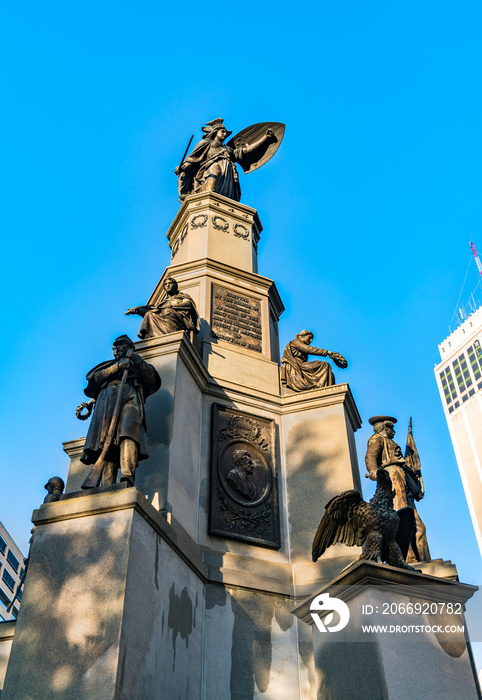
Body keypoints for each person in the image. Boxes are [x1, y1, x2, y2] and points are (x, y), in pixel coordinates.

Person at [79, 335, 161, 487]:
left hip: (129, 397)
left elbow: (152, 378)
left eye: (119, 345)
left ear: (128, 347)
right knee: (106, 442)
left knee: (128, 432)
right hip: (106, 403)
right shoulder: (110, 365)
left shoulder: (137, 363)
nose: (115, 349)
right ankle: (107, 485)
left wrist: (135, 359)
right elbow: (96, 377)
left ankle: (127, 475)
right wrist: (117, 367)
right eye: (114, 346)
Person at [365, 415, 430, 562]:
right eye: (391, 427)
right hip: (393, 477)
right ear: (384, 427)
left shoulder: (390, 442)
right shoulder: (377, 439)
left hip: (402, 478)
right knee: (400, 517)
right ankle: (407, 558)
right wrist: (375, 472)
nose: (394, 430)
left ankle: (424, 560)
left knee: (418, 525)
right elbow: (370, 457)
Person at [175, 118, 275, 202]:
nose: (224, 133)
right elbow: (192, 159)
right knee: (216, 171)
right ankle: (208, 200)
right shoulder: (206, 143)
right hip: (212, 166)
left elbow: (246, 150)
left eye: (225, 132)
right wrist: (183, 168)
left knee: (224, 195)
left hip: (228, 173)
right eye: (222, 131)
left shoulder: (228, 150)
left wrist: (265, 138)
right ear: (215, 132)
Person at [125, 277, 200, 338]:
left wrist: (171, 305)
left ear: (175, 285)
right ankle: (151, 336)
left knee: (168, 311)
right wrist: (136, 310)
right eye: (166, 284)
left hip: (179, 319)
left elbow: (187, 303)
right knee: (149, 314)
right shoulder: (163, 302)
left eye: (170, 283)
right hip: (165, 314)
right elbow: (154, 309)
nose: (168, 285)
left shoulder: (183, 296)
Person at [280, 330, 347, 391]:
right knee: (324, 365)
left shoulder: (299, 343)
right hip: (297, 365)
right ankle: (320, 387)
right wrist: (327, 352)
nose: (311, 340)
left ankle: (321, 386)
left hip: (302, 365)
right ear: (302, 336)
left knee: (329, 372)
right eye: (309, 338)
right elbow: (309, 349)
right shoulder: (296, 342)